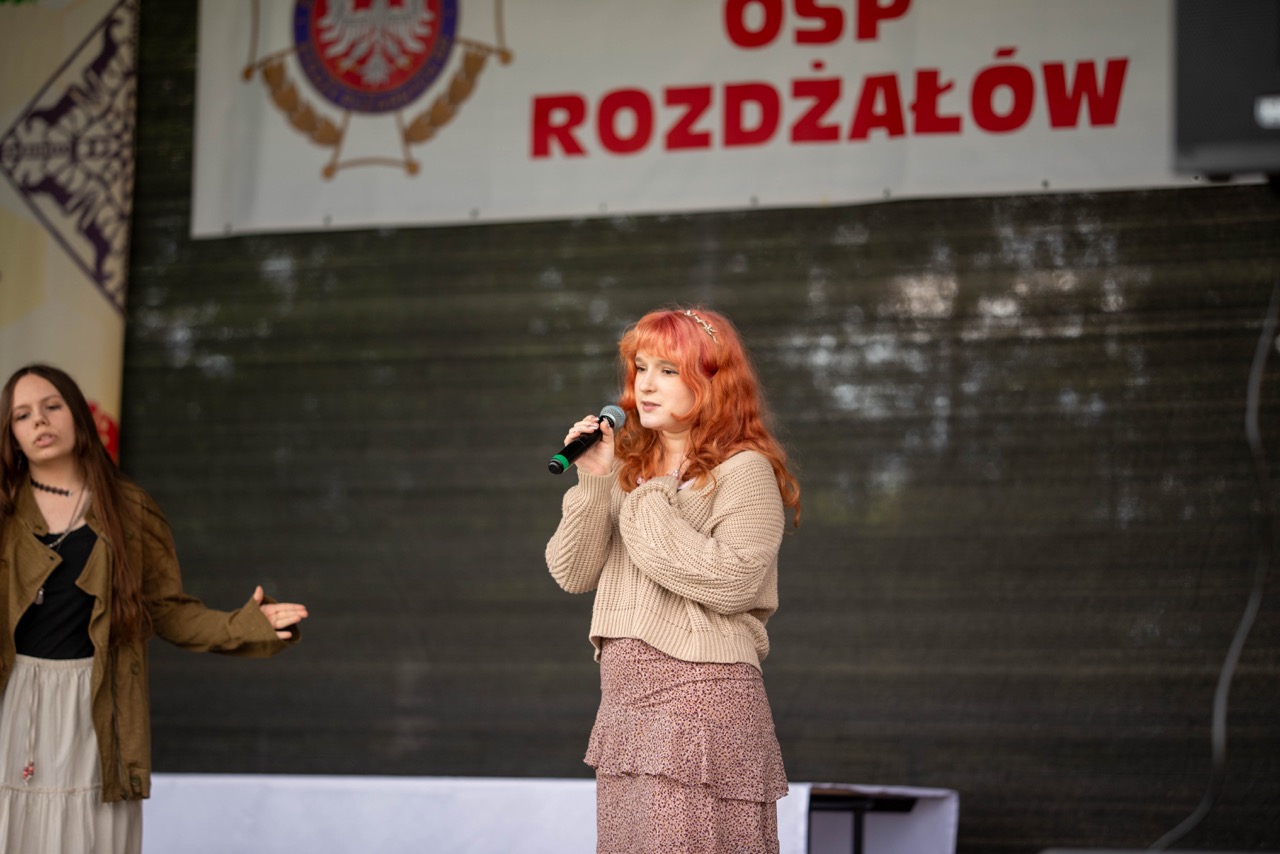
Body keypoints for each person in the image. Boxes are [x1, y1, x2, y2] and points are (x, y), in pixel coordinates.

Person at [0, 364, 309, 854]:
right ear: (12, 435)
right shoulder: (4, 508)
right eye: (22, 415)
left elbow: (168, 611)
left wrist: (246, 625)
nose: (39, 420)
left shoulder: (130, 508)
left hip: (100, 707)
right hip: (15, 701)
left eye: (52, 406)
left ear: (78, 415)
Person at [546, 306, 801, 853]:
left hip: (701, 698)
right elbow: (572, 571)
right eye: (641, 368)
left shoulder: (744, 471)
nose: (646, 385)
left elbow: (733, 581)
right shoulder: (624, 469)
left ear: (713, 382)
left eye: (668, 370)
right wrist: (596, 482)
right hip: (625, 702)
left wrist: (647, 495)